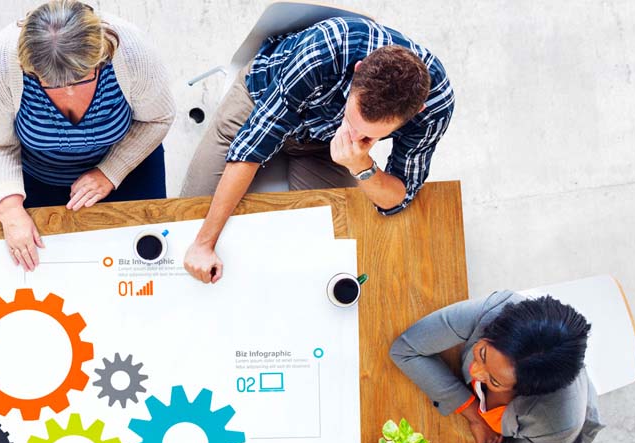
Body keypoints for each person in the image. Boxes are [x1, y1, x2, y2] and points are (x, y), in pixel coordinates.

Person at [180, 16, 455, 284]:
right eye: (353, 120)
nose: (355, 135)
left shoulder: (435, 107)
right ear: (358, 70)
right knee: (189, 225)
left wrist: (361, 165)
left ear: (417, 111)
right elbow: (252, 148)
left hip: (322, 143)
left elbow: (396, 198)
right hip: (261, 99)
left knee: (328, 256)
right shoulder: (324, 48)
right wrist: (204, 244)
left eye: (369, 136)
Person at [0, 0, 174, 270]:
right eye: (52, 83)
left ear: (100, 57)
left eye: (80, 78)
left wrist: (110, 172)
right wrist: (10, 211)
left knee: (139, 268)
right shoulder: (0, 61)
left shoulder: (132, 51)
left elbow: (157, 118)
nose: (68, 92)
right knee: (28, 271)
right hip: (31, 177)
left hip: (126, 168)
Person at [390, 292, 599, 443]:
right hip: (497, 419)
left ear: (525, 391)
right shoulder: (495, 309)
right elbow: (405, 349)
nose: (475, 372)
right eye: (482, 353)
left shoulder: (557, 426)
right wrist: (475, 416)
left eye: (495, 381)